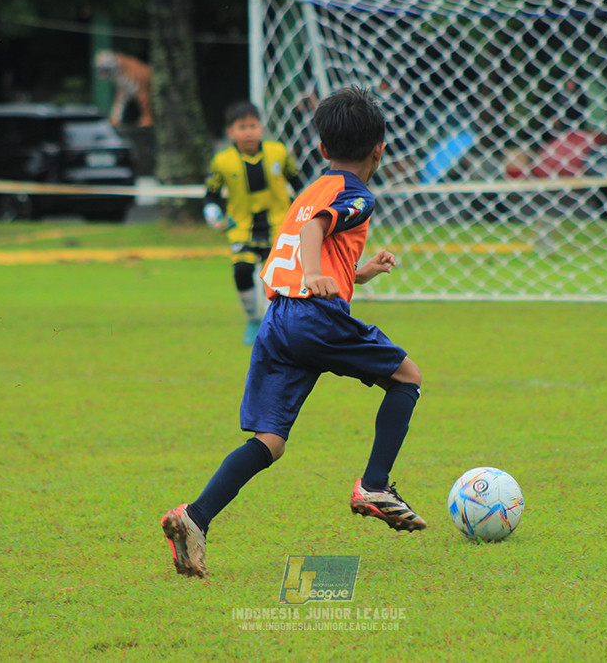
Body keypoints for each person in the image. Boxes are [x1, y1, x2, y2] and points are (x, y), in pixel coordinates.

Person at [163, 87, 426, 578]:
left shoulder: (311, 189)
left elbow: (311, 240)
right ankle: (374, 484)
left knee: (270, 441)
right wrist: (312, 275)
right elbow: (312, 238)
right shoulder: (356, 194)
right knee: (407, 378)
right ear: (380, 149)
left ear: (323, 150)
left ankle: (194, 517)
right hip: (313, 315)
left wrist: (358, 272)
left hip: (278, 319)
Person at [203, 102, 304, 345]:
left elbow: (299, 183)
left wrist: (306, 212)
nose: (248, 132)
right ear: (230, 132)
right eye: (241, 127)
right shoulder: (222, 162)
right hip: (241, 229)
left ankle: (281, 324)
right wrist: (213, 214)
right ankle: (252, 320)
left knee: (280, 280)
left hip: (279, 227)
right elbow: (211, 195)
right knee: (242, 271)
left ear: (260, 128)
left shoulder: (278, 152)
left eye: (253, 126)